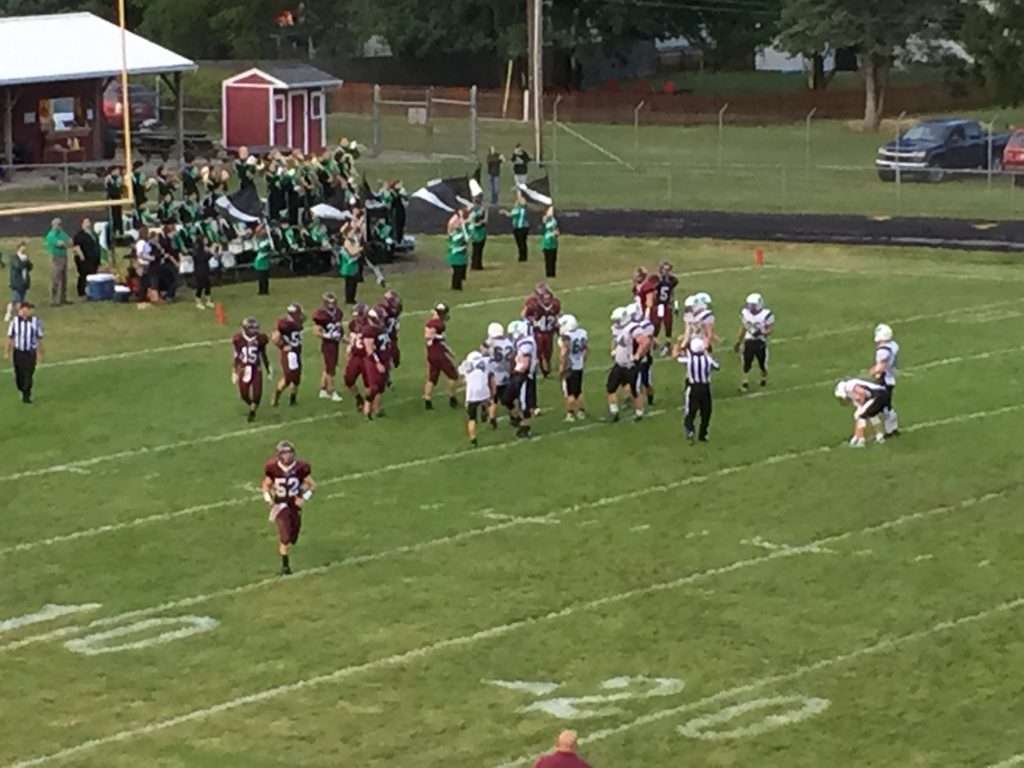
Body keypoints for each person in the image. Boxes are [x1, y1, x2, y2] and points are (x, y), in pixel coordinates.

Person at [260, 440, 315, 575]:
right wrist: (268, 499)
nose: (287, 456)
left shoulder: (300, 467)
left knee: (293, 537)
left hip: (294, 505)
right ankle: (286, 567)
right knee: (284, 536)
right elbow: (265, 485)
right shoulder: (273, 468)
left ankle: (288, 544)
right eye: (284, 454)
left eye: (289, 453)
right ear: (279, 455)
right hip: (280, 505)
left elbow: (313, 486)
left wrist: (304, 497)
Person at [606, 306, 648, 423]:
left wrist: (638, 355)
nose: (616, 323)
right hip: (619, 364)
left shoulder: (633, 328)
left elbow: (644, 341)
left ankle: (639, 413)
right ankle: (614, 413)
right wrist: (613, 350)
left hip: (631, 365)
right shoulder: (617, 328)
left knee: (635, 391)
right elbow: (614, 339)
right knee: (610, 388)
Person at [675, 337, 719, 444]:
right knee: (706, 412)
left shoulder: (689, 360)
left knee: (691, 411)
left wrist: (678, 343)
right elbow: (717, 367)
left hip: (693, 387)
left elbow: (676, 357)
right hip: (705, 388)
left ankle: (689, 430)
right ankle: (703, 434)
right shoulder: (707, 359)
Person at [232, 317, 271, 422]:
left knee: (257, 393)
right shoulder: (238, 339)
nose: (255, 331)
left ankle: (252, 411)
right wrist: (235, 371)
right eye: (252, 329)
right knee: (243, 393)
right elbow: (236, 355)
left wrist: (268, 368)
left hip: (256, 368)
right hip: (244, 368)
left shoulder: (260, 339)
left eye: (255, 328)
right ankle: (251, 405)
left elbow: (263, 354)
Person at [734, 292, 774, 391]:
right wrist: (738, 341)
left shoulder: (766, 314)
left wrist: (761, 332)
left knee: (762, 364)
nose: (751, 307)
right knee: (746, 362)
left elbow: (770, 329)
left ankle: (763, 378)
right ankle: (745, 382)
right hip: (749, 341)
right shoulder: (745, 313)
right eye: (750, 305)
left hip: (760, 341)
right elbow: (743, 328)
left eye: (753, 305)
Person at [5, 301, 43, 404]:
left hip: (30, 352)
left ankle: (27, 394)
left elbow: (38, 338)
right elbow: (10, 337)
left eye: (27, 310)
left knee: (29, 374)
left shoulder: (36, 322)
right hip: (18, 352)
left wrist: (39, 353)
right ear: (20, 311)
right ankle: (22, 388)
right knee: (19, 374)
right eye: (23, 310)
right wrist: (7, 352)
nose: (25, 312)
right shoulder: (15, 322)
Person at [505, 319, 538, 438]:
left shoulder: (526, 344)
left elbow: (525, 362)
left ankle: (526, 427)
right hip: (521, 374)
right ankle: (519, 420)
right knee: (508, 398)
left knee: (524, 403)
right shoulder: (523, 342)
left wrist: (518, 373)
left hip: (524, 375)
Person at [833, 377, 889, 447]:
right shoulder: (850, 391)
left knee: (860, 416)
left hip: (878, 395)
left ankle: (861, 440)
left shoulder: (849, 386)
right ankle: (879, 436)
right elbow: (860, 399)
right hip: (880, 394)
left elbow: (862, 393)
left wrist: (862, 405)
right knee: (871, 415)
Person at [423, 302, 459, 410]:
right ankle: (452, 398)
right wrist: (436, 336)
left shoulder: (430, 322)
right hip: (438, 354)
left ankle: (427, 399)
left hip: (431, 354)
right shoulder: (437, 324)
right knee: (453, 376)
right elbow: (428, 336)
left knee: (432, 378)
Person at [312, 291, 344, 402]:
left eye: (334, 302)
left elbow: (339, 328)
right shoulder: (321, 315)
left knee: (328, 367)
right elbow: (316, 332)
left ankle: (323, 390)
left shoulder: (338, 312)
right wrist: (328, 336)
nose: (332, 305)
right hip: (328, 345)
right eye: (330, 303)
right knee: (331, 369)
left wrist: (342, 337)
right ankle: (331, 391)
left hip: (335, 343)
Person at [524, 283, 561, 377]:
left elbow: (559, 315)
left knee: (548, 351)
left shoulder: (555, 304)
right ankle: (541, 367)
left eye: (548, 297)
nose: (547, 300)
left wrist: (558, 328)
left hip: (549, 331)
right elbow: (524, 315)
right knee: (538, 351)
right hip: (538, 331)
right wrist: (533, 321)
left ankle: (547, 366)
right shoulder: (533, 304)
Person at [870, 322, 900, 437]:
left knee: (884, 406)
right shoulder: (894, 345)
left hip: (885, 379)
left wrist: (874, 371)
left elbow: (881, 367)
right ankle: (892, 429)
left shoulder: (882, 351)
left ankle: (890, 430)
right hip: (890, 377)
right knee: (886, 405)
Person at [271, 303, 304, 407]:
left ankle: (293, 399)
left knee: (297, 377)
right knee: (288, 377)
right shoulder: (284, 323)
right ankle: (276, 396)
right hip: (289, 354)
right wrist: (282, 347)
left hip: (297, 352)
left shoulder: (298, 321)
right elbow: (275, 337)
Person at [483, 321, 514, 429]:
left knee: (493, 398)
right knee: (508, 399)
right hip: (506, 372)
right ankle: (514, 416)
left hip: (494, 374)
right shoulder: (509, 343)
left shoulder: (490, 342)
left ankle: (492, 418)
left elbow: (483, 352)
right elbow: (512, 358)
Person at [459, 350, 493, 447]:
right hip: (483, 390)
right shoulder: (486, 361)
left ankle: (473, 437)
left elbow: (463, 378)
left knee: (472, 418)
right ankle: (490, 417)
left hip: (472, 394)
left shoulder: (465, 365)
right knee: (489, 402)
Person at [558, 314, 588, 421]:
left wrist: (562, 366)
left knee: (569, 392)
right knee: (578, 391)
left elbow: (564, 353)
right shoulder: (583, 333)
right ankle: (581, 412)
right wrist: (582, 361)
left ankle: (570, 414)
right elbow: (585, 349)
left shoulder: (566, 337)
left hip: (570, 366)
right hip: (579, 365)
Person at [648, 261, 679, 356]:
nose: (666, 272)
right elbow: (653, 293)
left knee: (668, 325)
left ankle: (667, 345)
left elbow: (672, 292)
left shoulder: (672, 280)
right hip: (658, 305)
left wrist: (675, 305)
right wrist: (653, 305)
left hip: (666, 305)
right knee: (655, 325)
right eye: (665, 269)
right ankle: (654, 343)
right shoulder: (656, 280)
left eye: (668, 270)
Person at [43, 217, 72, 307]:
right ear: (53, 225)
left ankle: (63, 298)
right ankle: (53, 299)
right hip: (55, 257)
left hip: (63, 256)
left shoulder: (62, 233)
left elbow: (70, 242)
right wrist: (65, 243)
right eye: (57, 225)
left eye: (60, 224)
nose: (59, 226)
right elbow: (60, 244)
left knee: (64, 278)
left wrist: (65, 243)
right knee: (55, 278)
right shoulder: (51, 235)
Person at [71, 218, 101, 299]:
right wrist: (82, 257)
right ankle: (81, 291)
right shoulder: (79, 235)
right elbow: (76, 247)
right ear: (82, 224)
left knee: (93, 274)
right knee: (84, 275)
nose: (89, 223)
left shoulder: (93, 234)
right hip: (84, 259)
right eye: (86, 222)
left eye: (89, 222)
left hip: (94, 258)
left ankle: (92, 290)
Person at [6, 242, 31, 322]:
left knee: (21, 300)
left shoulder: (25, 257)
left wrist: (26, 261)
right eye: (23, 247)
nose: (24, 249)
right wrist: (25, 262)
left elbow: (30, 267)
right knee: (16, 300)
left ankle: (19, 315)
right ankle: (11, 314)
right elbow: (18, 266)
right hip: (17, 282)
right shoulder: (15, 257)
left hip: (24, 282)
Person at [339, 223, 363, 304]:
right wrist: (359, 250)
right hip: (348, 265)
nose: (353, 233)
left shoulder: (353, 240)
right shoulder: (347, 242)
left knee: (354, 283)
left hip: (353, 264)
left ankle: (352, 298)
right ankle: (349, 299)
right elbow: (351, 253)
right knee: (349, 283)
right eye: (352, 232)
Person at [446, 210, 469, 291]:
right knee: (457, 270)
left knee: (458, 270)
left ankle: (457, 285)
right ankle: (456, 286)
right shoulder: (457, 234)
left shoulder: (459, 232)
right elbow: (465, 239)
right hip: (456, 253)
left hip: (459, 253)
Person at [191, 233, 215, 309]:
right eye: (205, 239)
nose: (207, 241)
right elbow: (203, 258)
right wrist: (211, 253)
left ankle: (208, 300)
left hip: (205, 268)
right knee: (200, 286)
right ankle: (198, 301)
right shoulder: (197, 249)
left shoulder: (204, 248)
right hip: (199, 270)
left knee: (208, 284)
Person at [253, 224, 273, 296]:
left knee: (265, 276)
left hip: (264, 260)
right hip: (260, 260)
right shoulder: (260, 240)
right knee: (261, 277)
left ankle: (265, 290)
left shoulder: (266, 239)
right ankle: (261, 291)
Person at [469, 196, 488, 271]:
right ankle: (474, 264)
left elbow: (485, 220)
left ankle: (478, 264)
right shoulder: (472, 210)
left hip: (481, 230)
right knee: (475, 248)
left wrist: (480, 222)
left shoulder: (483, 210)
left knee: (479, 248)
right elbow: (470, 219)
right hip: (475, 231)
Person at [509, 193, 529, 262]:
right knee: (521, 242)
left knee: (521, 242)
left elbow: (511, 214)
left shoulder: (521, 209)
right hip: (520, 227)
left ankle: (523, 257)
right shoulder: (519, 208)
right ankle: (523, 256)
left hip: (521, 227)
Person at [540, 206, 559, 278]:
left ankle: (552, 274)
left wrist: (556, 233)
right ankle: (548, 274)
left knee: (553, 259)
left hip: (553, 243)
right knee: (547, 259)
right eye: (550, 210)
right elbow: (544, 221)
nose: (552, 212)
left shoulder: (554, 221)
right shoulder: (545, 219)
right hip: (546, 242)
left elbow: (556, 230)